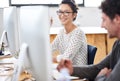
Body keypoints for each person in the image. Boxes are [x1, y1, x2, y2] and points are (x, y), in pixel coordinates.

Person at [57, 0, 120, 81]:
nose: (102, 25)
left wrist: (100, 77)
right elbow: (97, 68)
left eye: (104, 20)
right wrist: (72, 69)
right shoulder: (117, 44)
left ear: (117, 19)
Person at [51, 0, 87, 66]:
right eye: (60, 12)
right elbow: (49, 50)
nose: (62, 15)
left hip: (78, 73)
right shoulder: (61, 32)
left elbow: (66, 58)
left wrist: (51, 59)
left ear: (74, 15)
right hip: (66, 72)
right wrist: (47, 28)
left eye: (66, 12)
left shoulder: (78, 33)